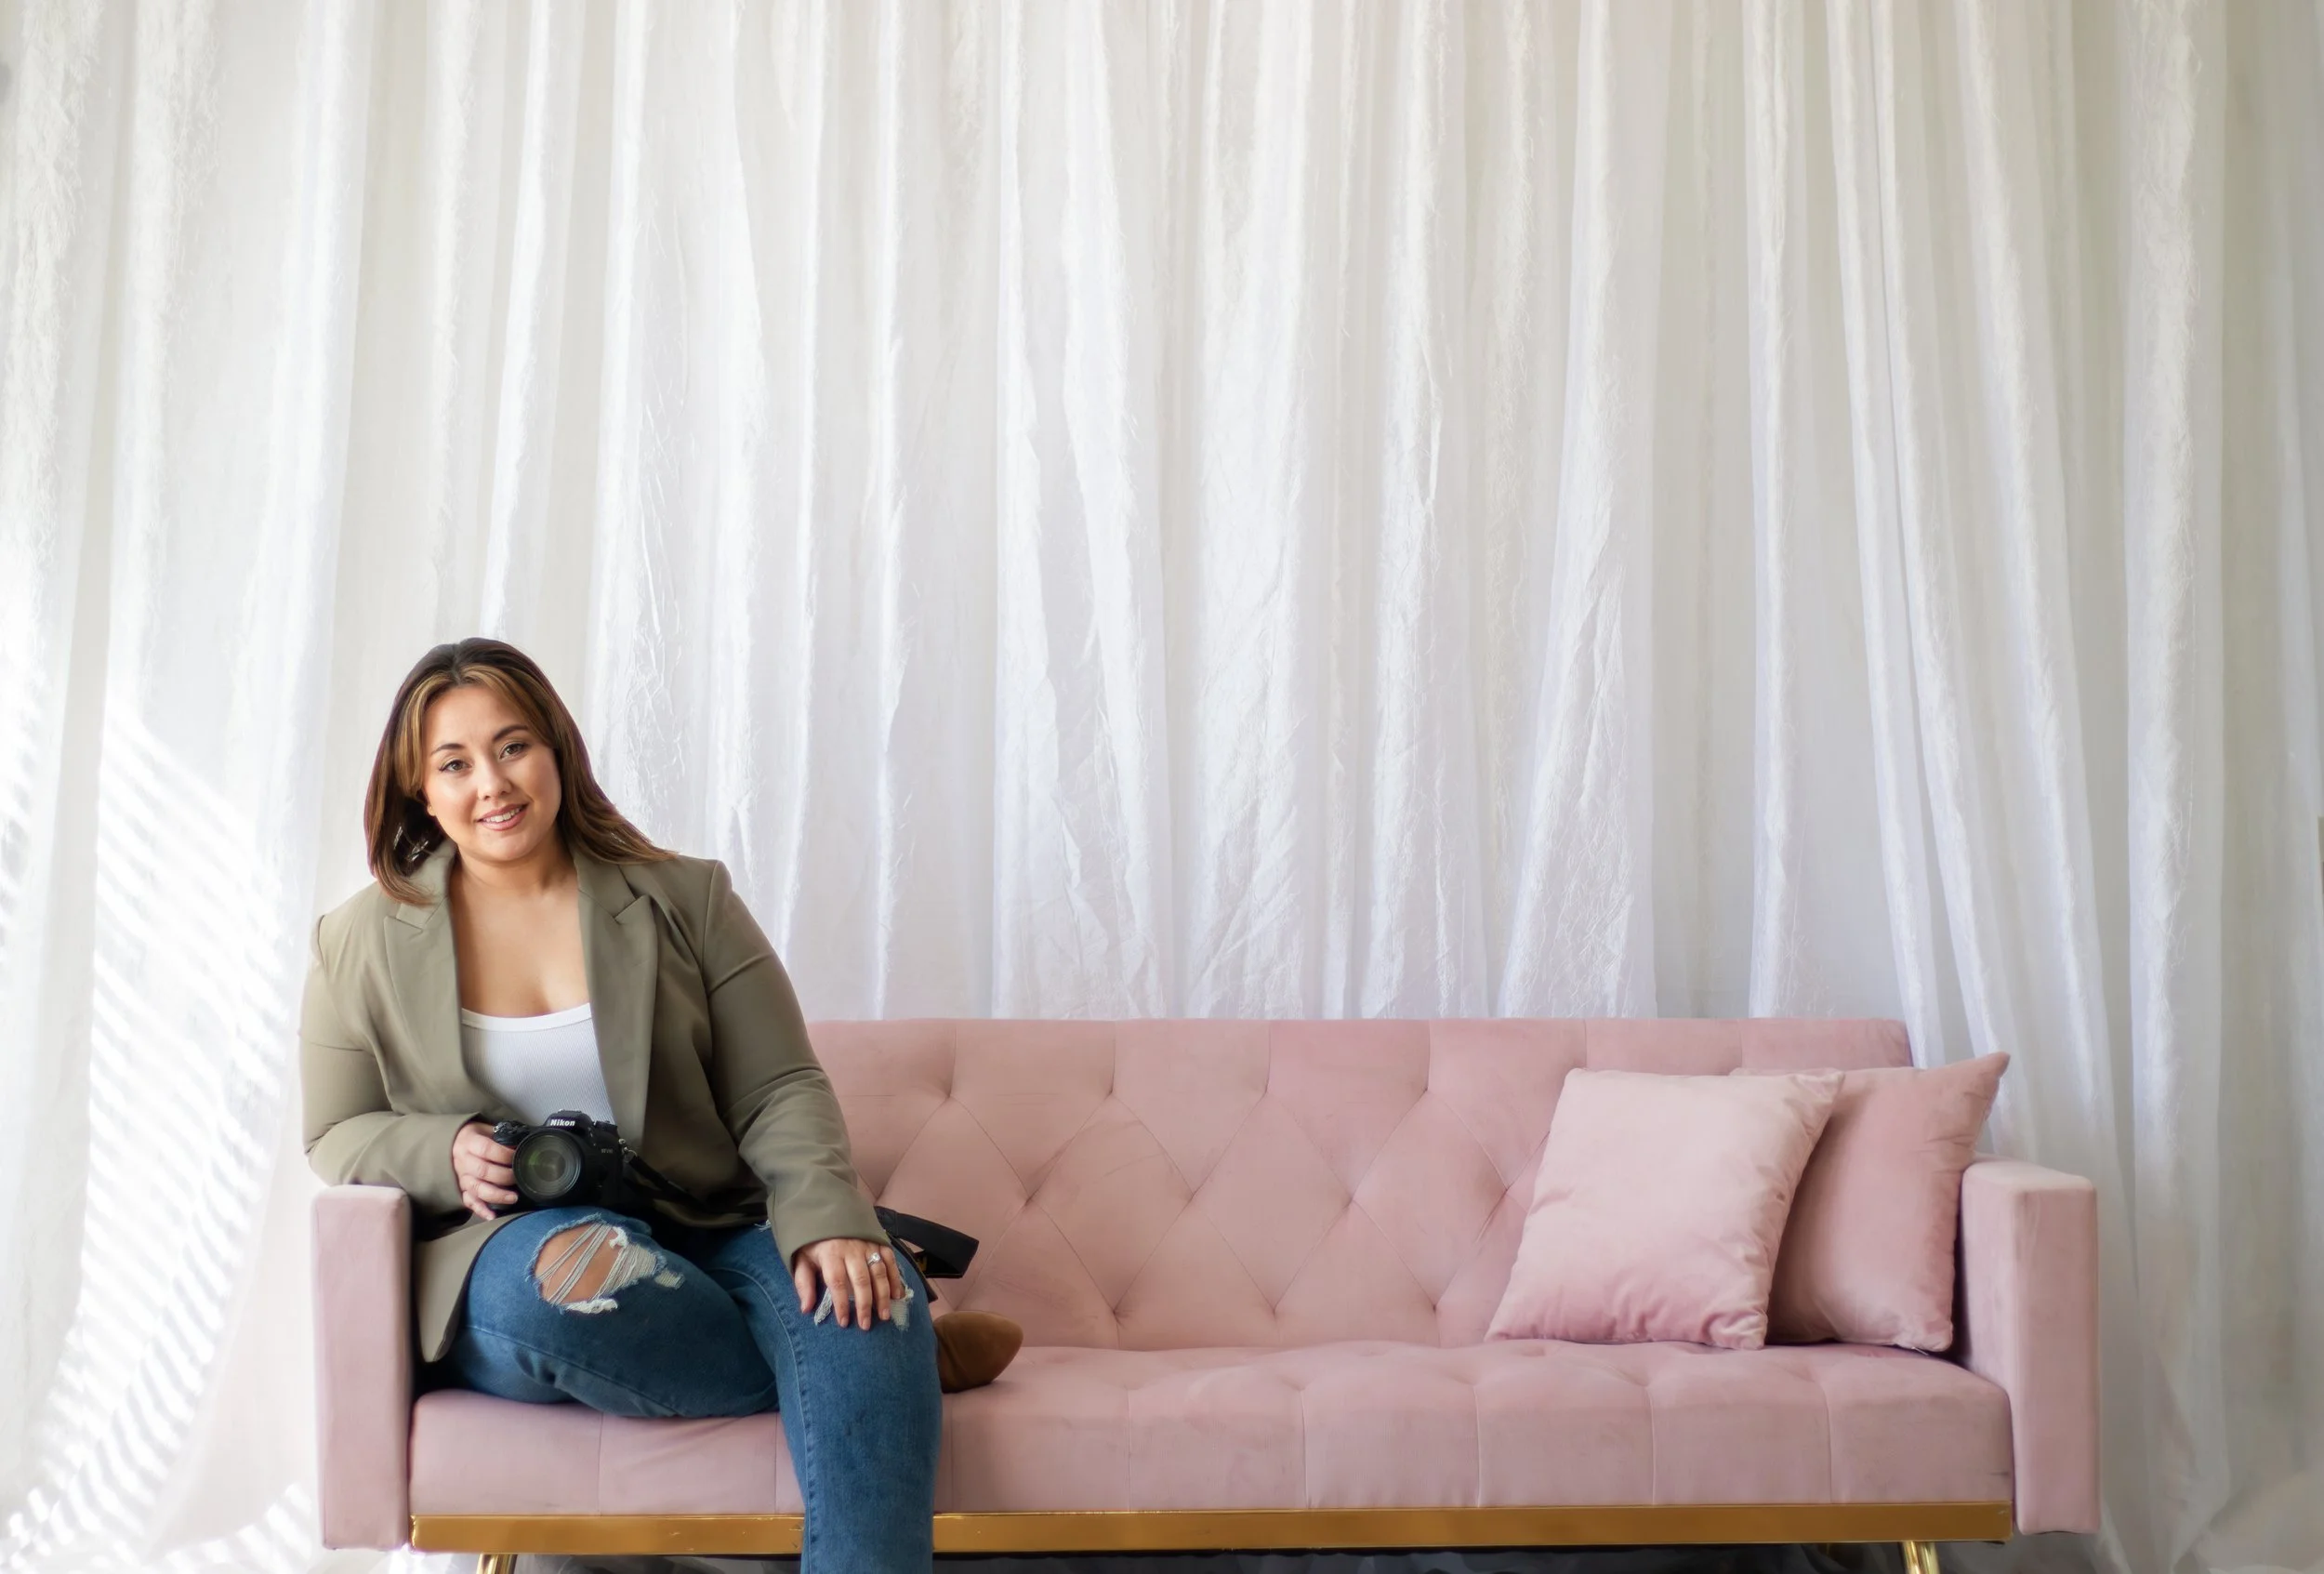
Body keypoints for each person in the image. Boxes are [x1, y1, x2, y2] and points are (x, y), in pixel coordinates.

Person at [300, 637, 1020, 1574]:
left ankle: (875, 1348)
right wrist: (443, 1149)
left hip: (710, 1223)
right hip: (513, 1249)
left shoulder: (685, 897)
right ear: (418, 791)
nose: (493, 783)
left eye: (513, 746)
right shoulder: (358, 941)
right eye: (455, 763)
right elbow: (335, 1130)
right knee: (569, 1277)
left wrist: (829, 1222)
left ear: (557, 751)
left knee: (863, 1302)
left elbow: (778, 1083)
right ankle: (887, 1366)